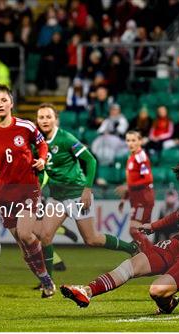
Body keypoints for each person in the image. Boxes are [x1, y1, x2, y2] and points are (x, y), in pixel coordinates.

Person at [60, 157, 179, 313]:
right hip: (177, 245)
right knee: (130, 265)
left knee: (156, 290)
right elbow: (176, 216)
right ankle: (87, 291)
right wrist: (153, 226)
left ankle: (167, 303)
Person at [35, 104, 138, 280]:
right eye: (41, 117)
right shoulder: (37, 142)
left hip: (77, 194)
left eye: (48, 117)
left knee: (91, 239)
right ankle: (47, 283)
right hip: (56, 197)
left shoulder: (65, 138)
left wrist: (87, 189)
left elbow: (91, 161)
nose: (45, 120)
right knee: (44, 236)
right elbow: (41, 170)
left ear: (55, 119)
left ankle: (131, 248)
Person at [0, 85, 55, 298]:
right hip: (3, 194)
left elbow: (42, 144)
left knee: (26, 234)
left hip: (28, 189)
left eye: (3, 100)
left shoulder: (26, 126)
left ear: (11, 103)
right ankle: (44, 280)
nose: (0, 104)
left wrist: (42, 159)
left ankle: (46, 278)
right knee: (22, 244)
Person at [115, 130, 155, 240]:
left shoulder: (140, 157)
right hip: (137, 198)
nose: (130, 143)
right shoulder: (132, 157)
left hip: (143, 198)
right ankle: (143, 256)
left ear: (140, 141)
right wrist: (124, 199)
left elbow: (148, 179)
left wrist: (128, 187)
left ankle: (151, 254)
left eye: (134, 140)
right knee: (138, 232)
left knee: (135, 231)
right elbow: (132, 182)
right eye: (128, 140)